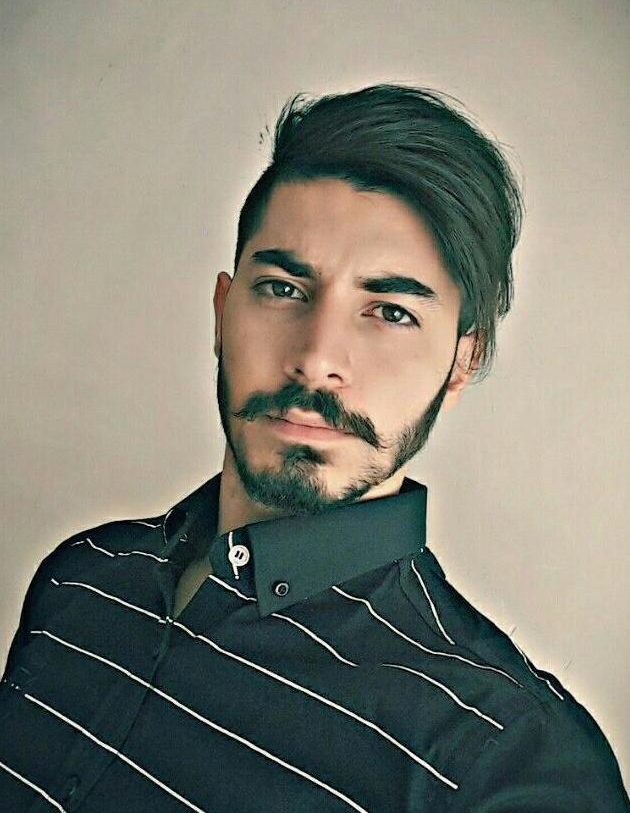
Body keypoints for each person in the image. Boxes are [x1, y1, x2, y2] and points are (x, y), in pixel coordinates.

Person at [1, 84, 627, 813]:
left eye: (389, 311)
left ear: (463, 361)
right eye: (282, 289)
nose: (316, 358)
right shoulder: (82, 575)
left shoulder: (509, 763)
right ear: (221, 311)